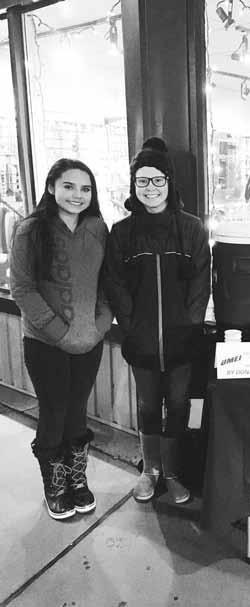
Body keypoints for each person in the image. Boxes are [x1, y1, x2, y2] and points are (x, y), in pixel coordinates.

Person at [103, 137, 210, 504]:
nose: (150, 188)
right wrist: (131, 327)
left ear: (169, 182)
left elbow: (201, 283)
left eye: (157, 179)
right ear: (134, 184)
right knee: (149, 407)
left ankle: (173, 473)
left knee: (178, 406)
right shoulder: (122, 232)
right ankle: (150, 471)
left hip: (182, 341)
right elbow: (115, 284)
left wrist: (190, 326)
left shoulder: (192, 229)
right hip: (141, 340)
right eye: (142, 180)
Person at [10, 158, 112, 520]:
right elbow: (22, 289)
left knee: (77, 411)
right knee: (54, 411)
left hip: (89, 341)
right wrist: (59, 333)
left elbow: (107, 282)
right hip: (44, 343)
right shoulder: (30, 230)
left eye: (85, 188)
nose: (77, 195)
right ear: (52, 187)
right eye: (69, 186)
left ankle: (76, 479)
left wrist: (100, 325)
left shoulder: (98, 228)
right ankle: (55, 484)